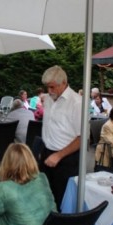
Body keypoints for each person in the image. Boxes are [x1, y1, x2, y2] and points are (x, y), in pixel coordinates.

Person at [39, 65, 82, 210]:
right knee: (44, 196)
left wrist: (58, 155)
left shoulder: (77, 103)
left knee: (61, 199)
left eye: (52, 87)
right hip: (47, 153)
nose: (49, 91)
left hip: (66, 158)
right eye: (47, 87)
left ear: (63, 82)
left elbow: (82, 138)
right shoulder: (49, 99)